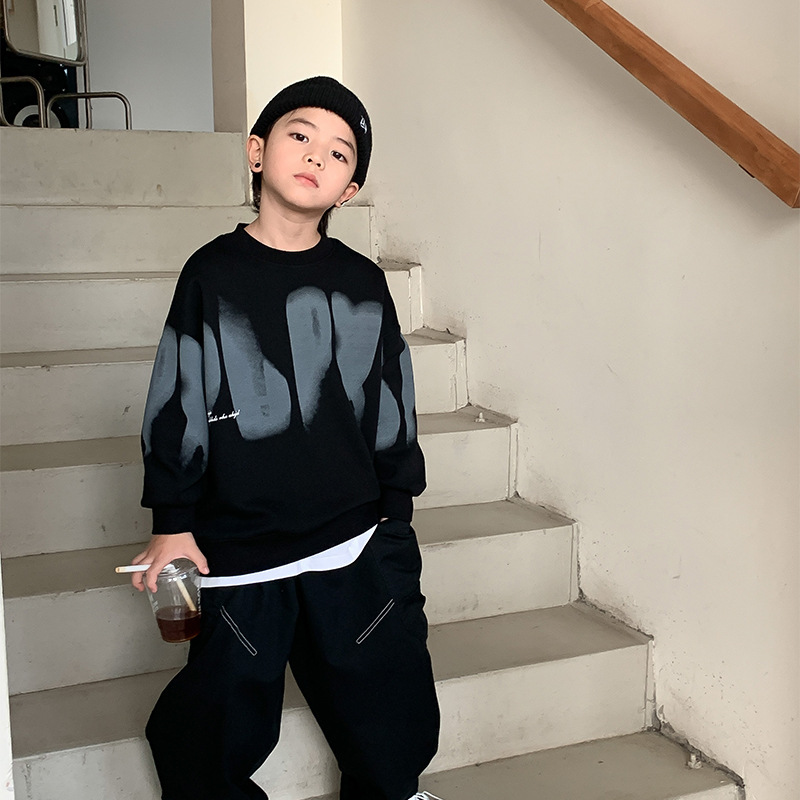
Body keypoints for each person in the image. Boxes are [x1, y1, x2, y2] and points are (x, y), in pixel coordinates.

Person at [130, 76, 441, 800]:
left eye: (338, 152)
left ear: (349, 190)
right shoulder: (211, 273)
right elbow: (177, 395)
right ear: (256, 151)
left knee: (386, 701)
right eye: (299, 135)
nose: (315, 155)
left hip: (354, 539)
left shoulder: (362, 281)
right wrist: (172, 523)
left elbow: (391, 397)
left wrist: (395, 514)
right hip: (240, 552)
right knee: (213, 723)